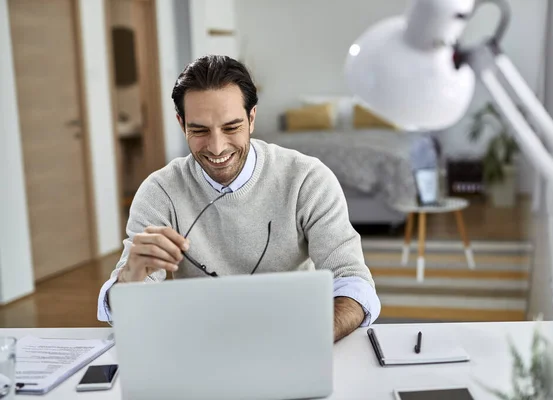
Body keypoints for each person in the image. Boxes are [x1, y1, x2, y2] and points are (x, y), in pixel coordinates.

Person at [97, 55, 381, 342]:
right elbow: (125, 310)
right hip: (199, 343)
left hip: (297, 338)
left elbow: (353, 282)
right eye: (199, 130)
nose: (217, 148)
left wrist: (311, 337)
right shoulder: (159, 192)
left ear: (252, 118)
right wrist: (130, 277)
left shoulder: (307, 179)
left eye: (231, 127)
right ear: (181, 123)